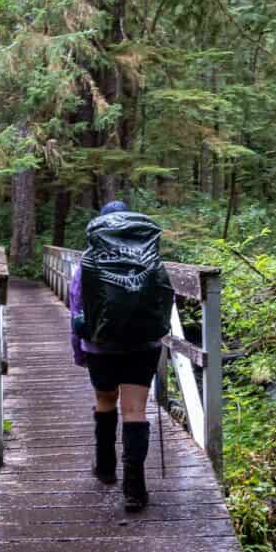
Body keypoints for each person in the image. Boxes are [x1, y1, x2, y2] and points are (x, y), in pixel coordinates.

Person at [69, 200, 169, 512]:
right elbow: (165, 300)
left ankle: (106, 467)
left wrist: (80, 352)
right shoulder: (151, 260)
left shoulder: (87, 262)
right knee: (135, 410)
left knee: (106, 401)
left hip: (101, 347)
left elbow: (76, 311)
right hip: (143, 346)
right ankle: (135, 490)